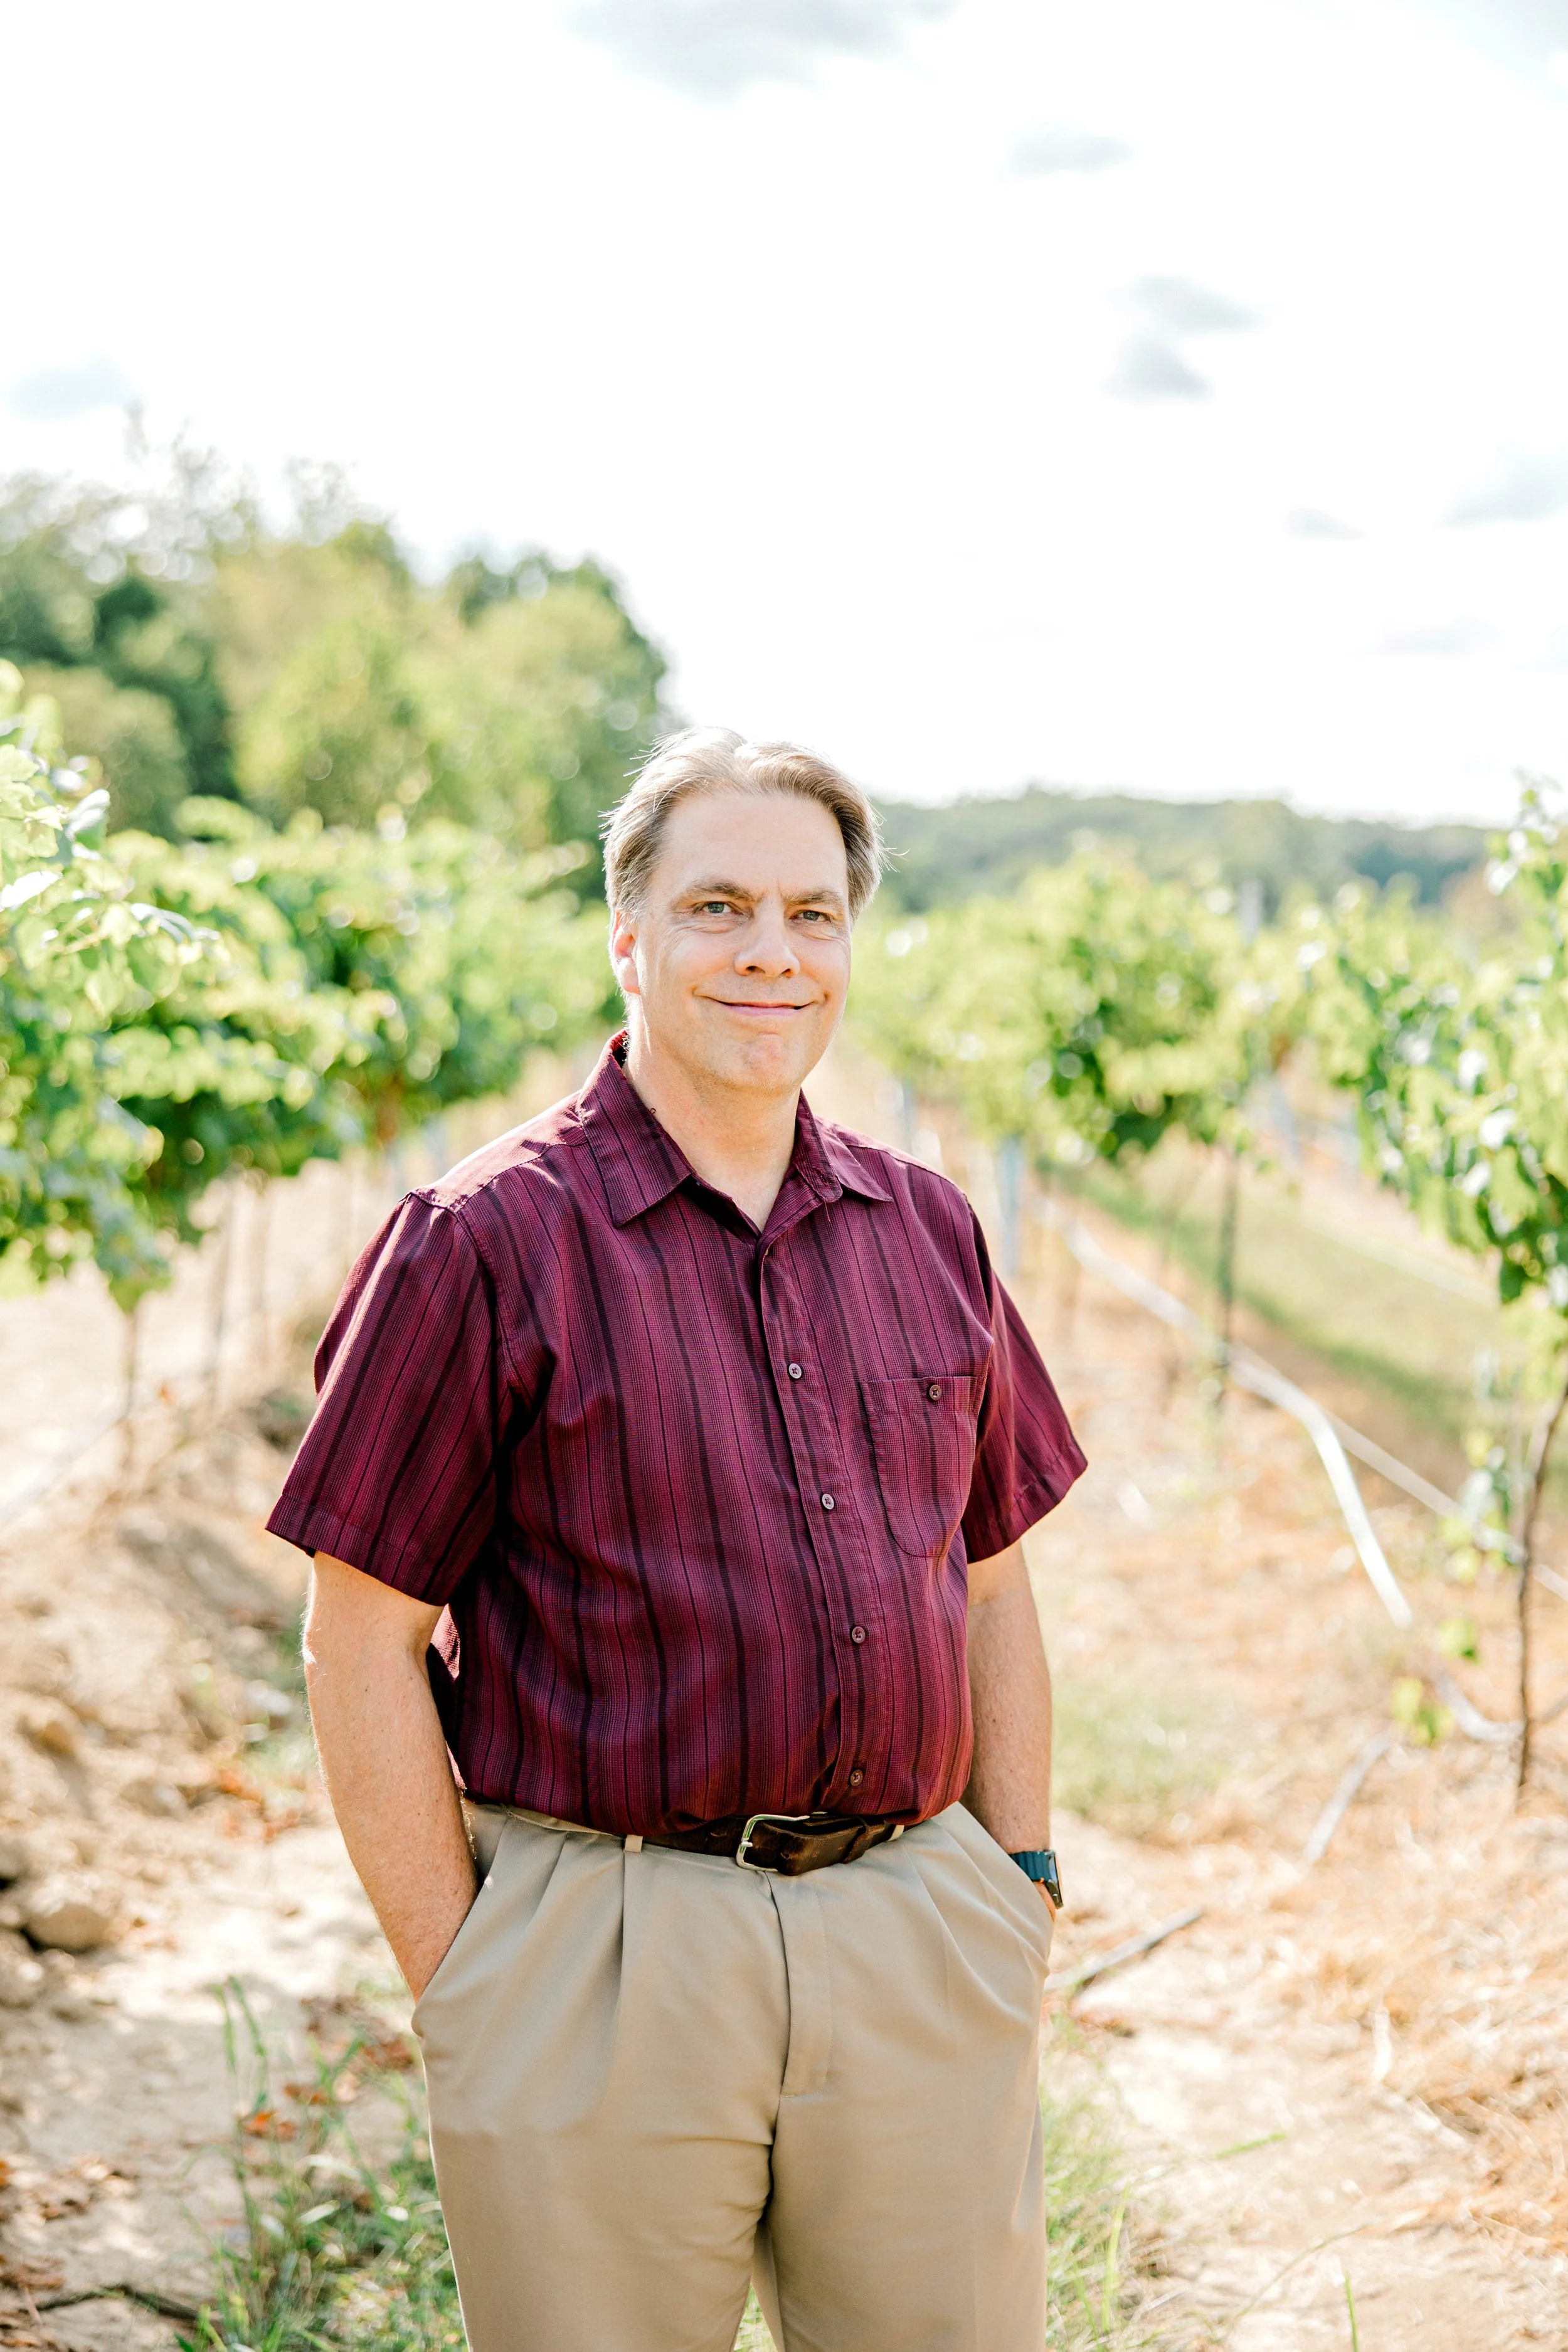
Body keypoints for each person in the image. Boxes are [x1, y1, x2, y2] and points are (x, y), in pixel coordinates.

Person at [270, 728, 1086, 2352]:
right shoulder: (481, 1242)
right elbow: (353, 1639)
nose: (770, 950)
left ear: (849, 942)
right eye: (716, 905)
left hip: (914, 1929)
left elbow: (992, 1577)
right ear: (626, 936)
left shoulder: (931, 1231)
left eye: (810, 911)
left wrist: (1019, 1881)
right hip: (608, 1951)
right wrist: (474, 1985)